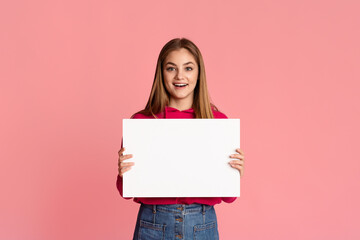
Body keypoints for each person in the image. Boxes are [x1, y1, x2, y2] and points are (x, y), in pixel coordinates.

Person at [116, 37, 245, 240]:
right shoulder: (142, 123)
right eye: (171, 68)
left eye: (188, 68)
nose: (180, 76)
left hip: (202, 224)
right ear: (161, 73)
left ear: (199, 73)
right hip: (154, 223)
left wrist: (234, 174)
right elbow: (127, 192)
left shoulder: (219, 123)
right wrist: (124, 173)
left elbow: (229, 197)